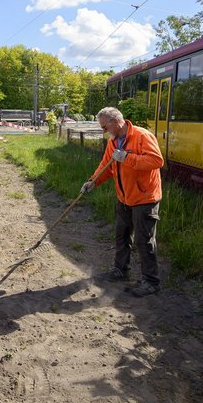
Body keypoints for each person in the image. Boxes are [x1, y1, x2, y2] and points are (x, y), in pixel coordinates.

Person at [81, 107, 163, 297]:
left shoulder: (142, 136)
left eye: (104, 127)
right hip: (124, 197)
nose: (104, 131)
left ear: (116, 122)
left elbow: (156, 161)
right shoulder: (113, 141)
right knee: (122, 235)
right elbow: (106, 166)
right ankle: (120, 269)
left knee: (144, 240)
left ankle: (151, 281)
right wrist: (93, 182)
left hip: (144, 198)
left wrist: (127, 157)